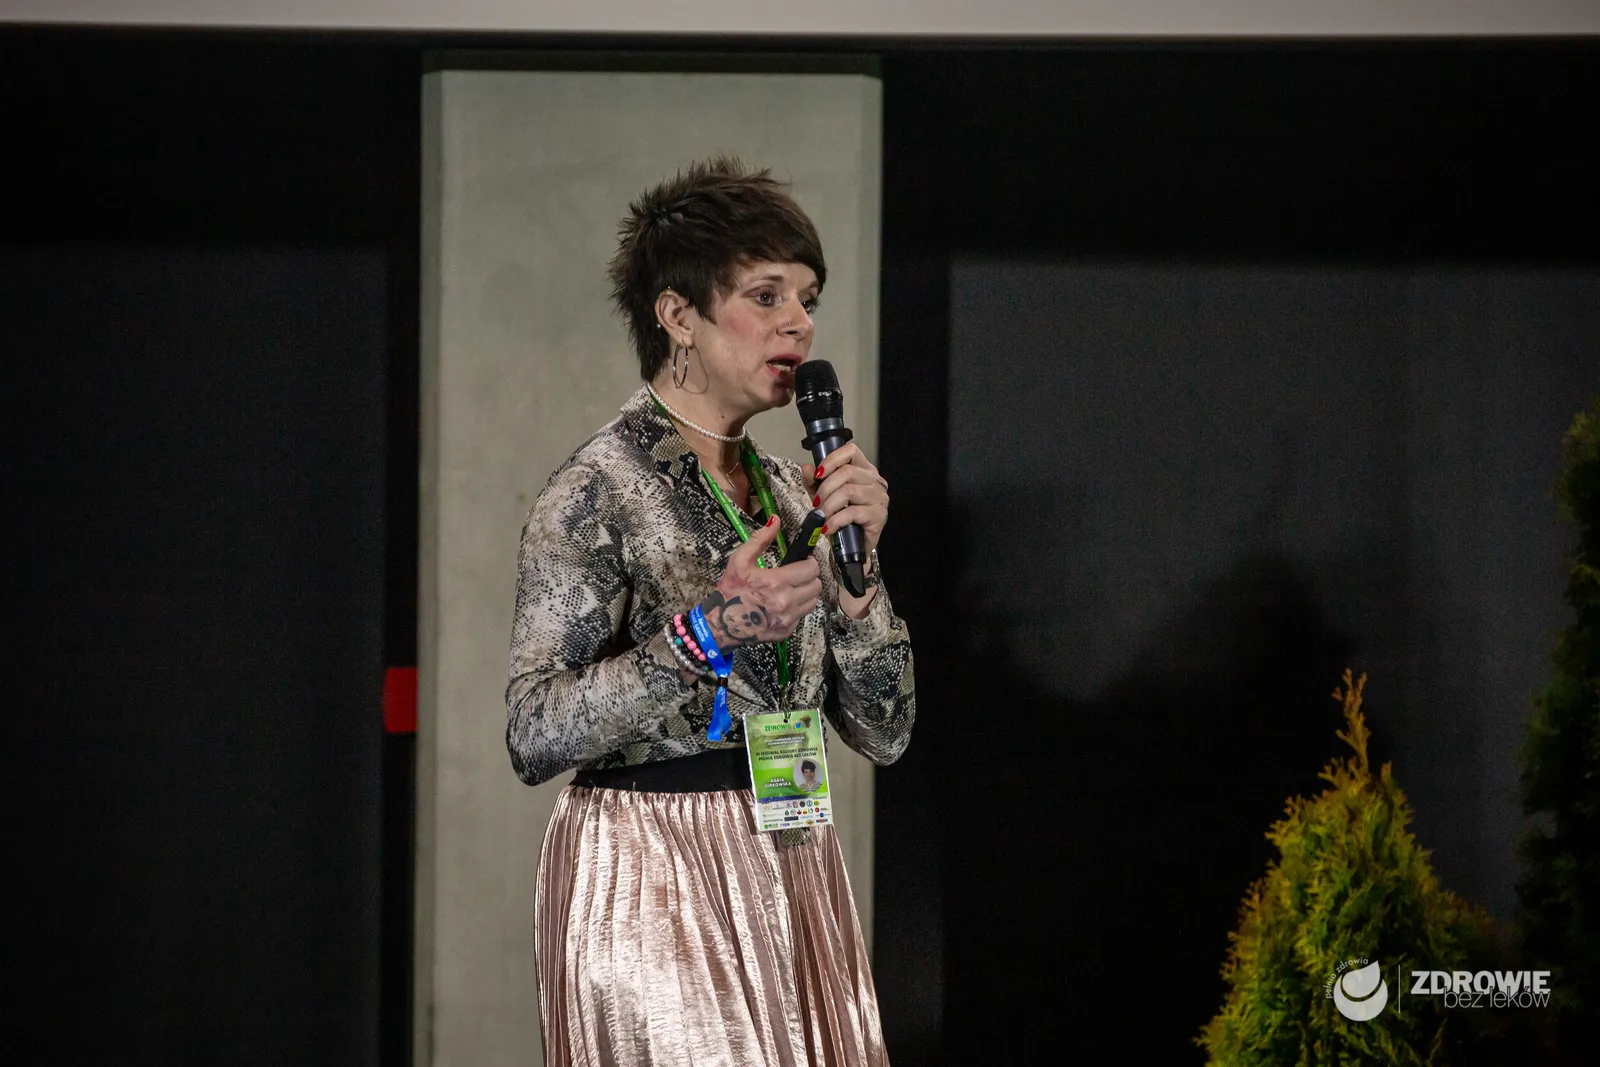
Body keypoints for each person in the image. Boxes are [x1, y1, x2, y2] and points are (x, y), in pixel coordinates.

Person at [506, 157, 915, 1067]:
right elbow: (533, 732)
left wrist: (858, 586)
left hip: (794, 851)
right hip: (652, 868)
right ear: (678, 315)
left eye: (807, 298)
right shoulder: (597, 489)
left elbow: (887, 734)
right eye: (766, 295)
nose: (799, 322)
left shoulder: (795, 491)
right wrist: (708, 631)